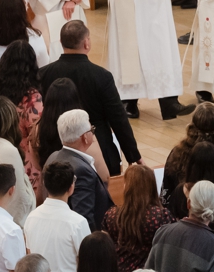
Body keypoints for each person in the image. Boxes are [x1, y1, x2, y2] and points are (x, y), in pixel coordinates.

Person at [36, 19, 140, 175]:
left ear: (61, 43)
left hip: (55, 150)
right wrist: (133, 156)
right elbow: (118, 118)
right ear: (86, 43)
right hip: (99, 153)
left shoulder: (44, 74)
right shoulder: (101, 76)